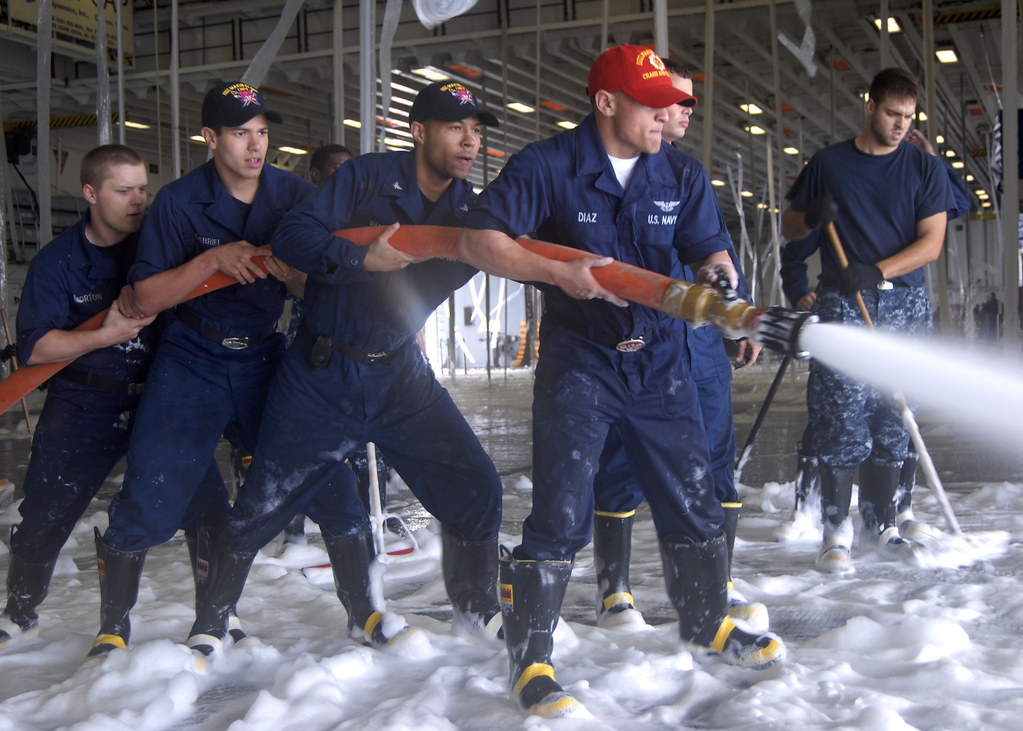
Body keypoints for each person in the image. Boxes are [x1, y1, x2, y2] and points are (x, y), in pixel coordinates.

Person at [457, 45, 784, 718]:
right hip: (582, 359)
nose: (666, 114)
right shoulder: (547, 166)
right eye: (650, 101)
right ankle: (532, 659)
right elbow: (478, 241)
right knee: (559, 512)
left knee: (692, 496)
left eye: (669, 101)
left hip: (659, 358)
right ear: (606, 103)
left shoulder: (679, 173)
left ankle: (706, 622)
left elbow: (708, 249)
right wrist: (555, 272)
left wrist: (721, 276)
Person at [184, 80, 505, 657]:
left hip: (400, 375)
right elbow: (293, 236)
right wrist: (362, 258)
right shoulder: (365, 177)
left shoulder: (467, 207)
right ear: (419, 132)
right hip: (322, 374)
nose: (470, 141)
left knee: (475, 484)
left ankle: (477, 608)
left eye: (477, 131)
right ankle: (211, 623)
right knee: (263, 503)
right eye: (457, 127)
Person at [84, 82, 312, 660]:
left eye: (262, 132)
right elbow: (141, 296)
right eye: (240, 133)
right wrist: (213, 258)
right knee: (151, 488)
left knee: (312, 476)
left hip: (264, 353)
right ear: (210, 138)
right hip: (193, 357)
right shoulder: (179, 202)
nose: (255, 145)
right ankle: (113, 626)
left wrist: (293, 272)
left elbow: (324, 278)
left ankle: (227, 617)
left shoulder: (295, 195)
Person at [590, 57, 767, 632]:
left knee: (717, 461)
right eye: (671, 101)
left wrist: (730, 316)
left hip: (701, 346)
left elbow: (712, 251)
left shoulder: (689, 175)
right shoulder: (615, 171)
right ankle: (614, 590)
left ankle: (719, 580)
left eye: (689, 102)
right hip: (643, 343)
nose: (680, 111)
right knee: (624, 464)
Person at [780, 68, 955, 574]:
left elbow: (931, 243)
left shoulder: (925, 169)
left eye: (908, 117)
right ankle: (835, 533)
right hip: (841, 307)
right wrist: (812, 216)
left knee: (893, 417)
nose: (900, 125)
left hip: (902, 304)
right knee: (840, 417)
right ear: (870, 105)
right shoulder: (829, 164)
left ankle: (883, 526)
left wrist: (875, 269)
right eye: (891, 114)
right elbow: (791, 227)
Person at [0, 146, 159, 648]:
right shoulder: (58, 262)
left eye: (142, 190)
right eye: (122, 190)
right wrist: (101, 337)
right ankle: (19, 612)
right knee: (46, 510)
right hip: (83, 403)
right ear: (90, 193)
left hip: (157, 398)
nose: (137, 201)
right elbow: (36, 347)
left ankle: (208, 619)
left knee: (200, 503)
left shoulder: (158, 250)